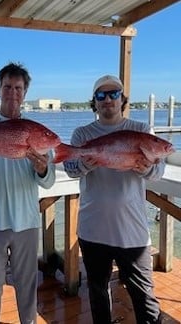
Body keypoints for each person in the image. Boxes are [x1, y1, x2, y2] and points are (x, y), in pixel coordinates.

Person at [63, 75, 163, 323]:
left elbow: (158, 171)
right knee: (98, 293)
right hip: (93, 229)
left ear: (122, 100)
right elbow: (70, 168)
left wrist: (145, 168)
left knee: (144, 296)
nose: (107, 99)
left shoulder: (141, 131)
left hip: (133, 231)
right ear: (94, 103)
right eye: (101, 95)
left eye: (114, 94)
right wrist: (84, 165)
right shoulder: (82, 134)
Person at [0, 62, 56, 324]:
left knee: (27, 285)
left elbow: (48, 183)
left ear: (25, 92)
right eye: (7, 87)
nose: (12, 93)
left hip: (26, 221)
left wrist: (41, 169)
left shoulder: (36, 132)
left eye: (18, 88)